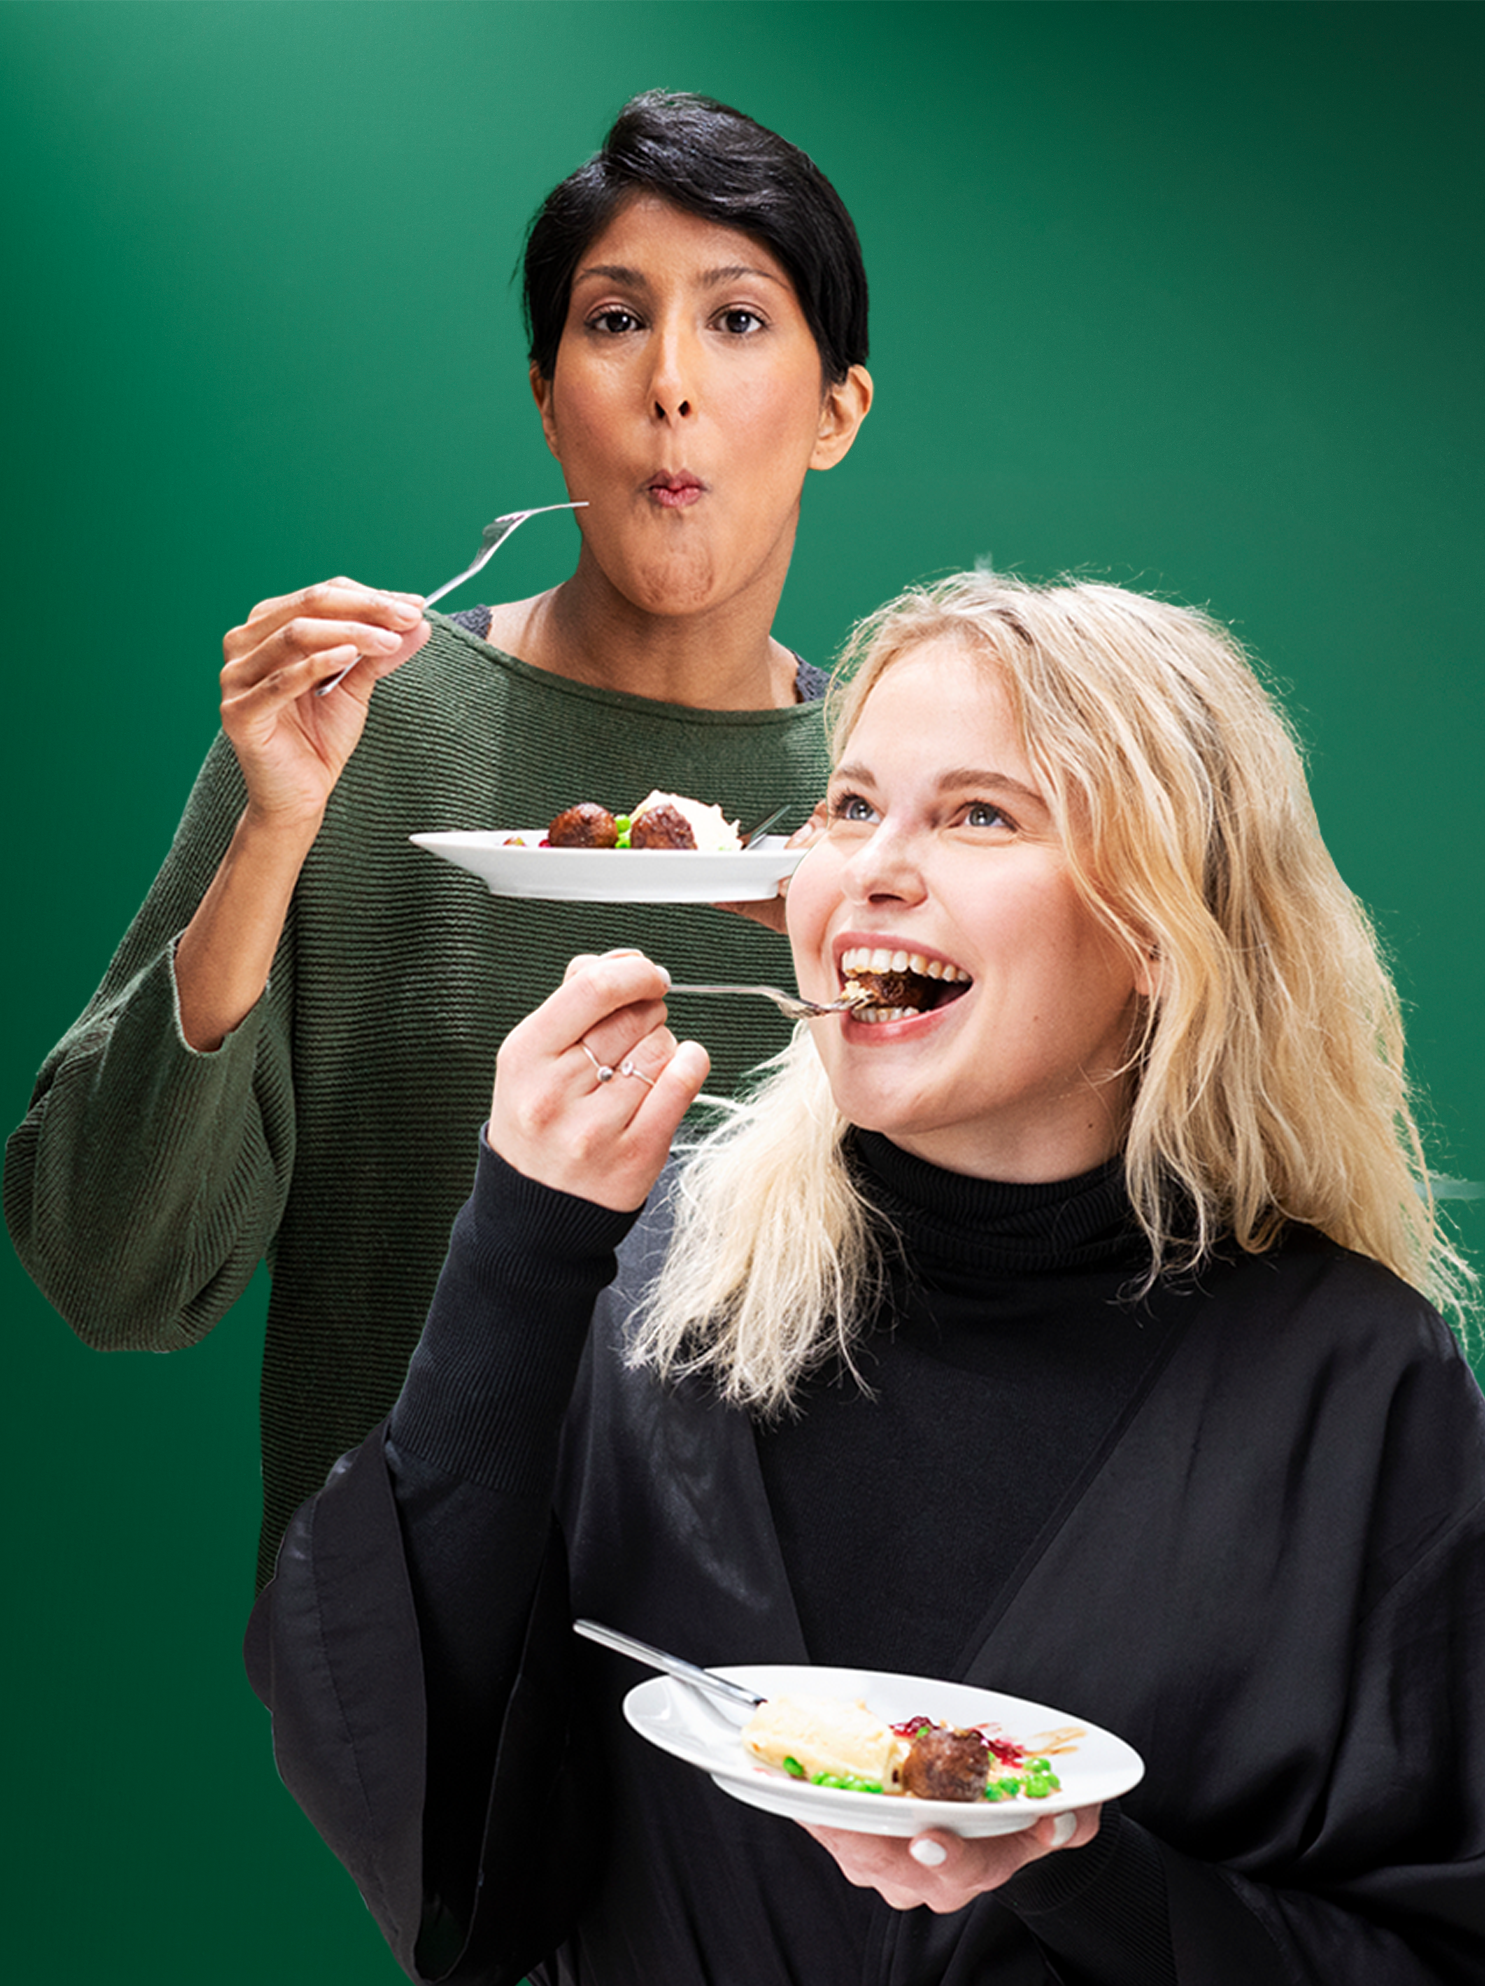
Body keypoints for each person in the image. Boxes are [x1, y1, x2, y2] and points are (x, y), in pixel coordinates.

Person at [245, 572, 1485, 1986]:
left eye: (980, 816)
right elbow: (416, 1820)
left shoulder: (1354, 1387)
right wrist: (518, 1248)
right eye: (852, 806)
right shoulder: (644, 1273)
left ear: (1156, 929)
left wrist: (1075, 1873)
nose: (872, 869)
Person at [3, 90, 872, 1583]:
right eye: (615, 322)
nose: (670, 384)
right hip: (424, 1678)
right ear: (547, 398)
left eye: (736, 322)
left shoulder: (888, 798)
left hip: (809, 1690)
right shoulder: (360, 730)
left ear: (835, 409)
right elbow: (113, 1274)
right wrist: (277, 823)